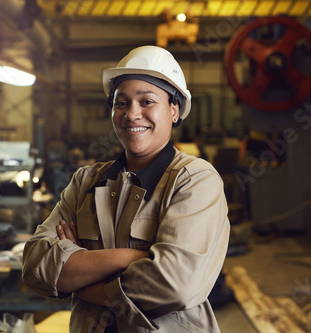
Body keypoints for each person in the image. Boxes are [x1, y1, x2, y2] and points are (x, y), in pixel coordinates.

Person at [22, 45, 230, 332]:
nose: (132, 114)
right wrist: (130, 257)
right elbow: (35, 266)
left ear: (174, 110)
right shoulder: (86, 182)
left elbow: (174, 285)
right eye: (121, 103)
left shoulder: (194, 180)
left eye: (146, 102)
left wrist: (83, 280)